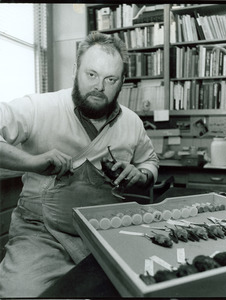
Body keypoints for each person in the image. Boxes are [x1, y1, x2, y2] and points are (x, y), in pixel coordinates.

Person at [0, 31, 159, 297]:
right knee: (19, 294)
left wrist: (141, 175)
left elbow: (150, 161)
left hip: (108, 229)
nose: (99, 87)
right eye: (91, 74)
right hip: (40, 232)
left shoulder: (131, 122)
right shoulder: (40, 107)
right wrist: (33, 162)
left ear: (122, 82)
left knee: (147, 286)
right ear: (76, 70)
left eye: (110, 79)